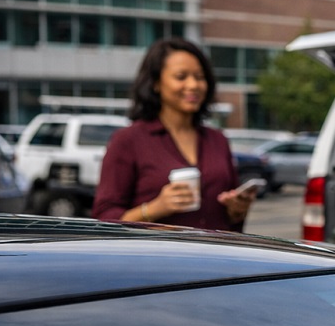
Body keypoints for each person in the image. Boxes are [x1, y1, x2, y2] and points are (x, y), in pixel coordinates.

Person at [93, 38, 254, 231]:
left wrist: (236, 210)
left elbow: (231, 220)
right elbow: (104, 219)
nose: (193, 85)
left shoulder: (217, 139)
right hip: (158, 258)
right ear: (156, 83)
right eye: (181, 76)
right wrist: (155, 208)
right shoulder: (128, 140)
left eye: (200, 77)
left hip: (216, 257)